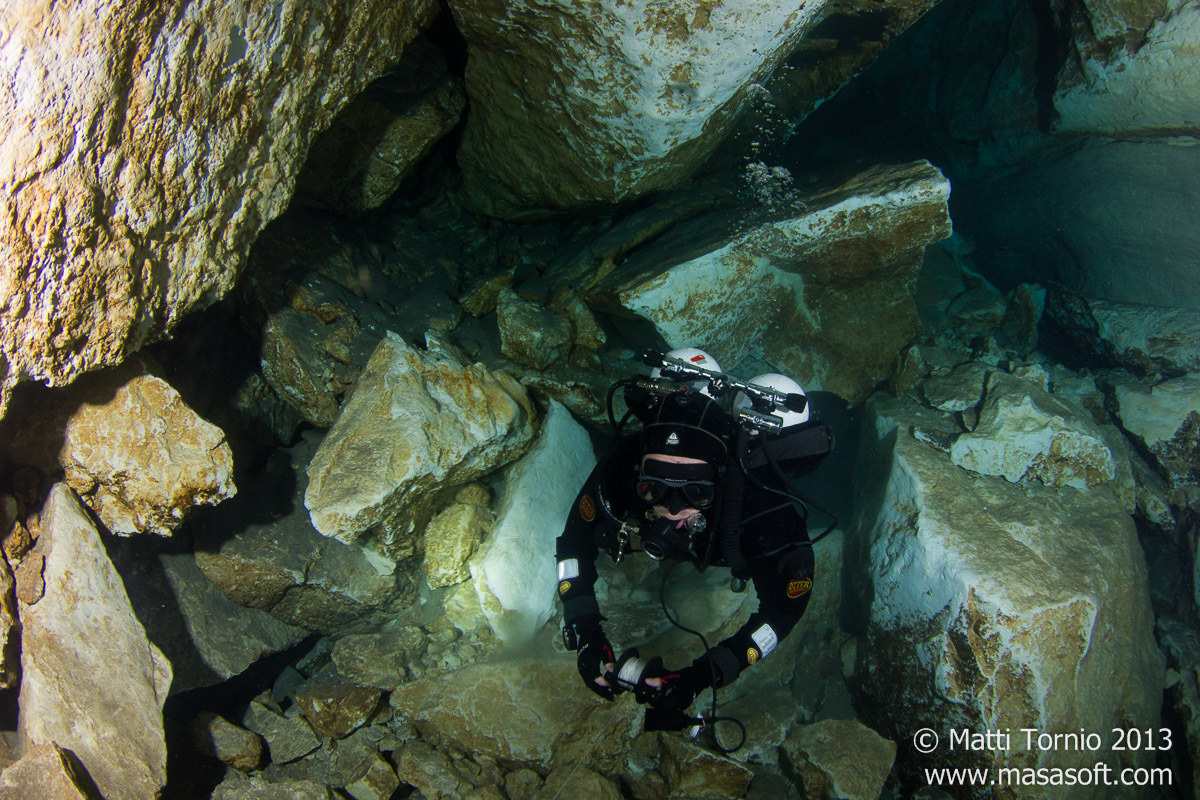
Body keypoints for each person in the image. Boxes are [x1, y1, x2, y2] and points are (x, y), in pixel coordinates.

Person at [555, 348, 829, 724]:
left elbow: (783, 611)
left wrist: (703, 676)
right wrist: (584, 627)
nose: (671, 509)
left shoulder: (762, 508)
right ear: (639, 473)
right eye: (653, 488)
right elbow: (574, 542)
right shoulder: (621, 468)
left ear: (720, 480)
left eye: (695, 493)